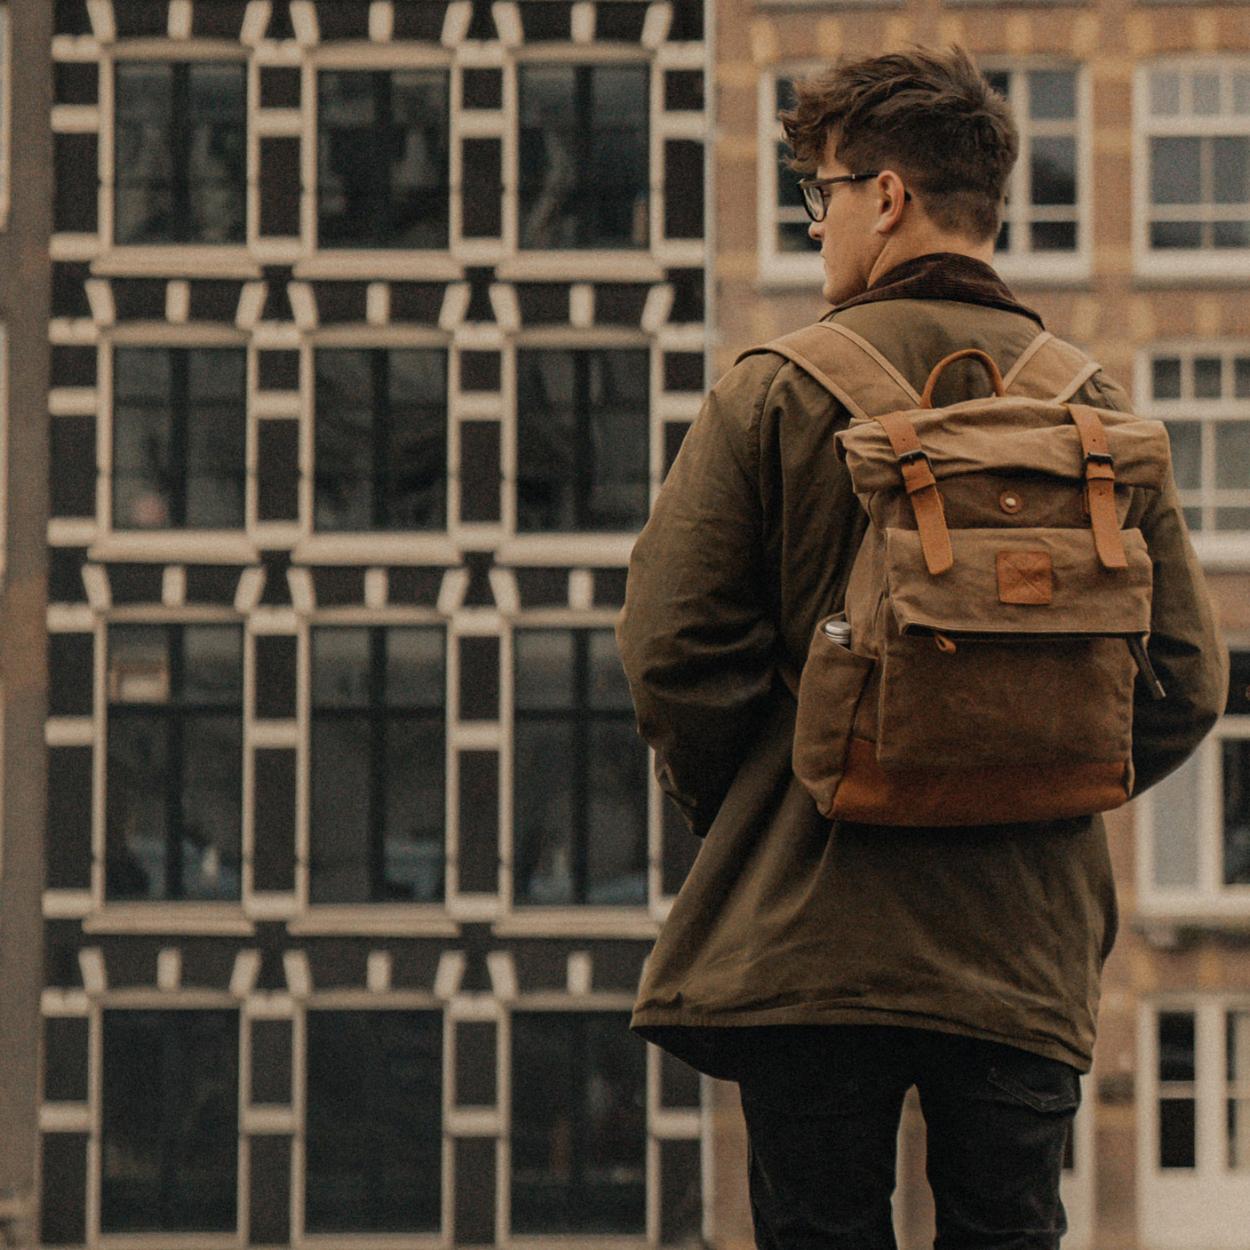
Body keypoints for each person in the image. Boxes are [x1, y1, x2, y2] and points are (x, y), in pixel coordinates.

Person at [615, 45, 1228, 1250]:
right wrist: (1036, 775)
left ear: (883, 196)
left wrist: (759, 794)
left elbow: (668, 646)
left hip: (810, 931)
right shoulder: (1096, 411)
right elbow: (1188, 680)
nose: (815, 230)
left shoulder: (776, 391)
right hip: (1020, 945)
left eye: (820, 197)